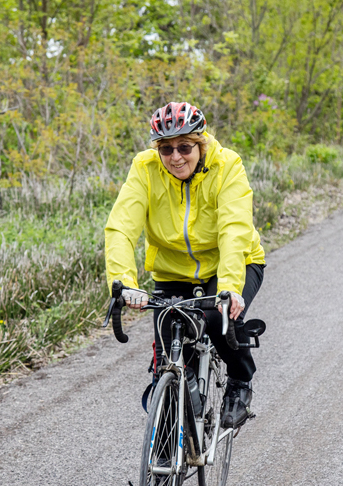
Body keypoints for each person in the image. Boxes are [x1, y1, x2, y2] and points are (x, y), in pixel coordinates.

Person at [104, 102, 266, 430]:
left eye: (184, 146)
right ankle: (163, 466)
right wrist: (124, 282)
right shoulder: (145, 169)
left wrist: (230, 288)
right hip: (172, 272)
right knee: (168, 362)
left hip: (231, 265)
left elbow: (234, 231)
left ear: (201, 143)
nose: (175, 156)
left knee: (218, 316)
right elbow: (121, 227)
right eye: (165, 149)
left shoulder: (228, 165)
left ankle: (239, 381)